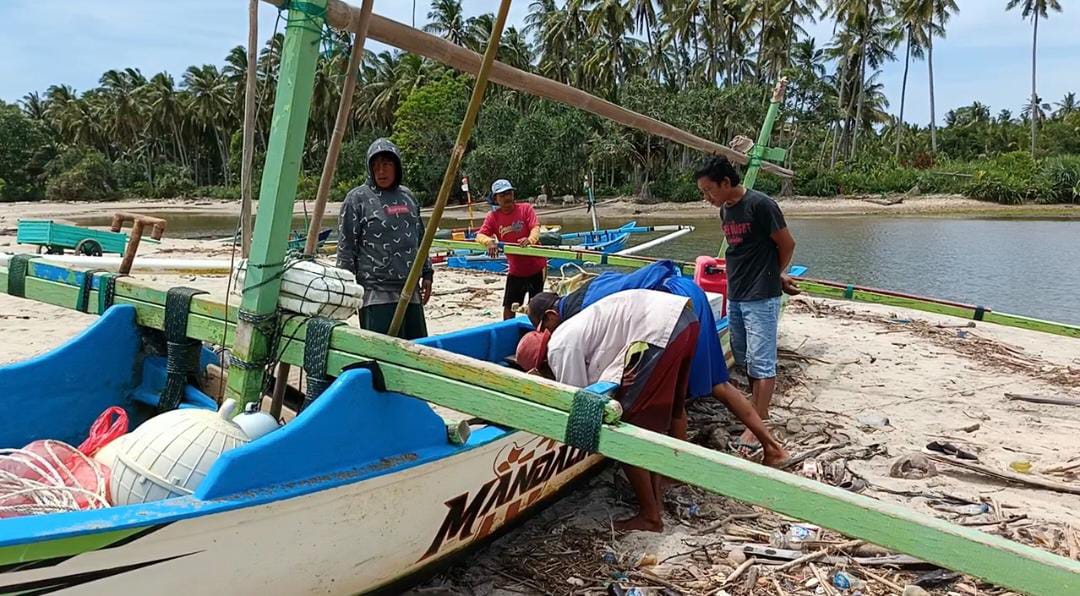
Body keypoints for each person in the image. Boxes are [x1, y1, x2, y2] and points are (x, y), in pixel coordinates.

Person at [527, 260, 788, 467]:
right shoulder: (586, 290)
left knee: (667, 399)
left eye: (544, 328)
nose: (547, 335)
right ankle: (767, 446)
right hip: (685, 294)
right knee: (712, 384)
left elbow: (596, 371)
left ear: (551, 315)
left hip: (669, 309)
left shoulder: (576, 316)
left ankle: (678, 464)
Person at [517, 289, 698, 532]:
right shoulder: (578, 323)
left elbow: (579, 397)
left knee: (628, 427)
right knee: (655, 422)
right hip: (682, 316)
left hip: (658, 328)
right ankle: (657, 502)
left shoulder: (560, 345)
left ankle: (650, 516)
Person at [695, 156, 798, 447]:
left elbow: (787, 244)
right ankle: (755, 413)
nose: (706, 198)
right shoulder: (726, 210)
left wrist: (772, 276)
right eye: (703, 192)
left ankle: (758, 424)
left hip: (760, 295)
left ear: (726, 183)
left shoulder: (761, 205)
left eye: (709, 190)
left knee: (763, 362)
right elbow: (746, 252)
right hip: (738, 293)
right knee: (745, 358)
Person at [336, 138, 433, 340]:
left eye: (386, 165)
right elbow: (346, 248)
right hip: (376, 293)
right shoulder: (357, 199)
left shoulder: (408, 197)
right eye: (376, 166)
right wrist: (345, 288)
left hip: (410, 289)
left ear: (396, 167)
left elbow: (420, 239)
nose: (381, 171)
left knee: (417, 351)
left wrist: (427, 273)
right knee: (383, 354)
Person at [474, 179, 547, 320]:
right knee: (509, 307)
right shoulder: (493, 217)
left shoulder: (525, 209)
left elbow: (535, 228)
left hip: (537, 267)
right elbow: (480, 235)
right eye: (502, 195)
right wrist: (489, 242)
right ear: (495, 198)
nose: (507, 197)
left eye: (509, 193)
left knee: (536, 306)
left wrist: (530, 240)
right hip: (516, 270)